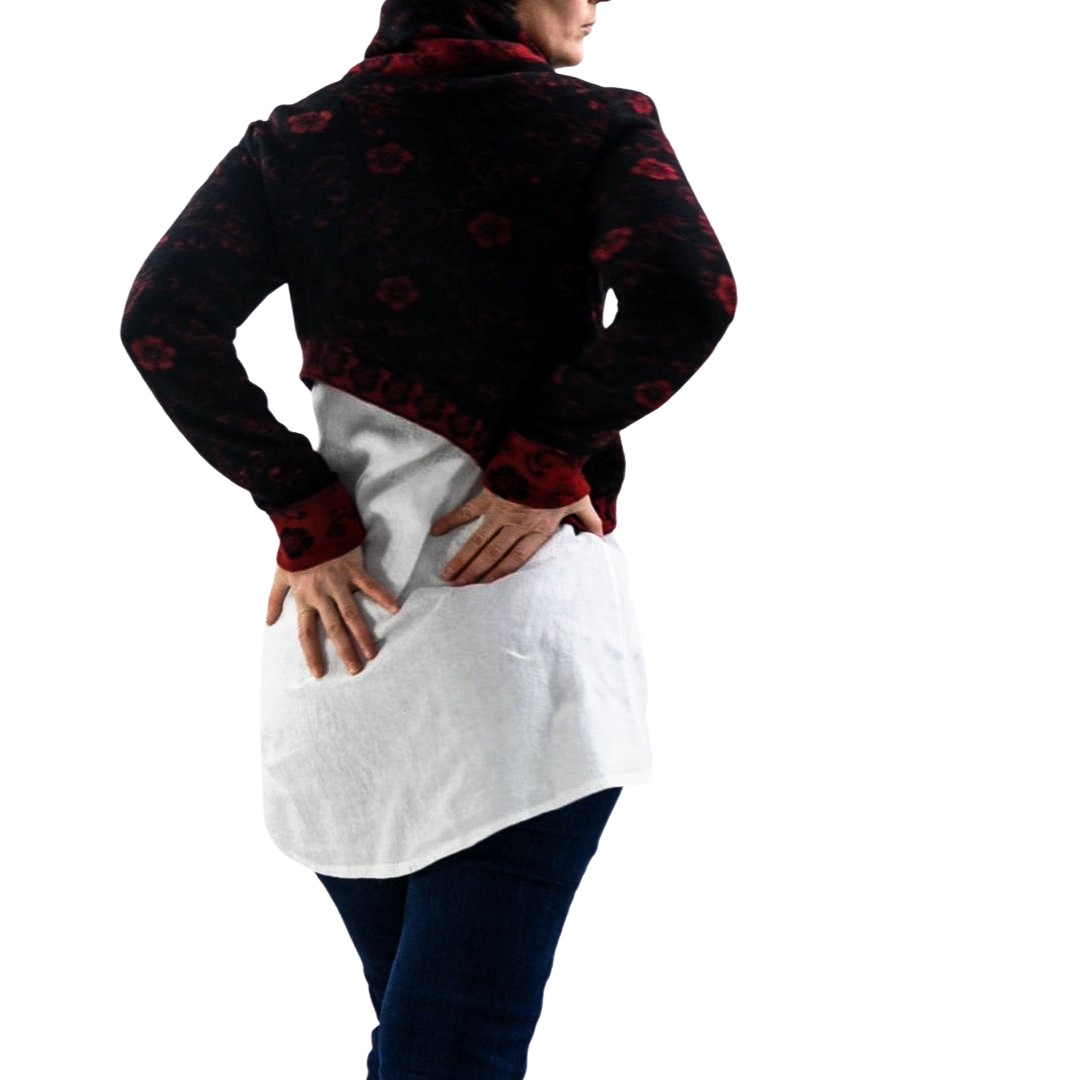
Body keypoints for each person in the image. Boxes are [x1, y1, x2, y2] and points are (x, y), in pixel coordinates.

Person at [119, 0, 736, 1074]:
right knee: (450, 1051)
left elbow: (163, 319)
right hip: (515, 646)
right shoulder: (597, 125)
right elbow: (688, 291)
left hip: (337, 654)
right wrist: (541, 459)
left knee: (425, 1045)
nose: (599, 0)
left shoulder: (295, 140)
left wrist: (305, 513)